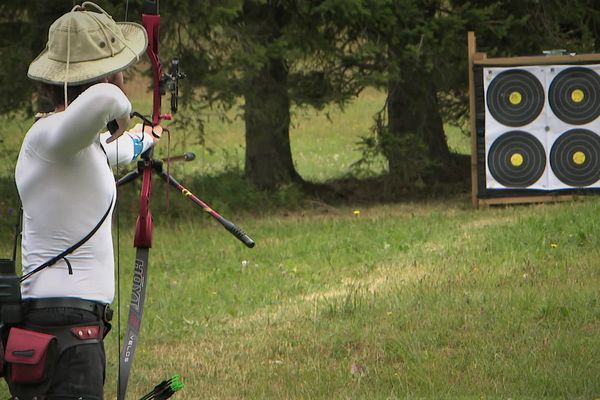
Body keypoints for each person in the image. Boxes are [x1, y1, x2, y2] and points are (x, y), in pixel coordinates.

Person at [5, 3, 161, 399]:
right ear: (105, 75)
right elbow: (106, 97)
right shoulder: (49, 138)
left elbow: (112, 151)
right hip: (61, 328)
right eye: (118, 69)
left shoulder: (76, 147)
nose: (123, 78)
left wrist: (147, 136)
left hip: (70, 326)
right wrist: (118, 100)